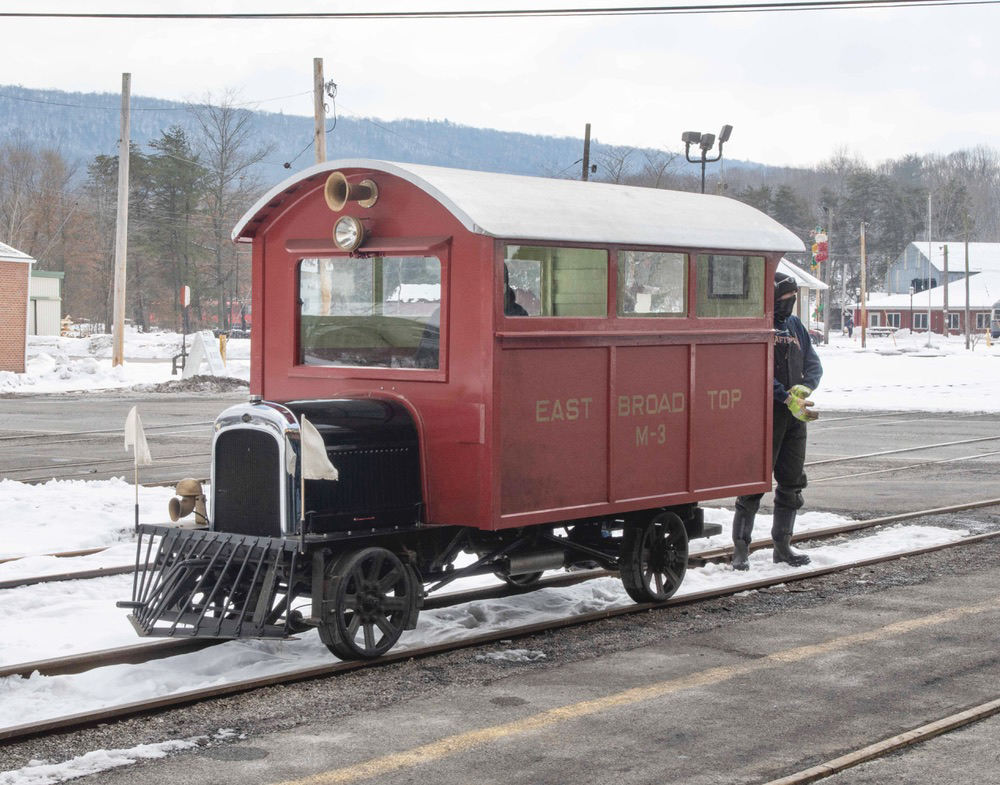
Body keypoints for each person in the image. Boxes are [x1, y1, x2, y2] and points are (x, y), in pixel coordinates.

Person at [731, 271, 822, 570]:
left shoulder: (796, 326)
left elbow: (813, 362)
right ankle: (741, 549)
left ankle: (782, 546)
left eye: (792, 299)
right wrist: (784, 396)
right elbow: (753, 370)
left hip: (795, 418)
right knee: (754, 483)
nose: (790, 303)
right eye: (785, 299)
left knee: (792, 483)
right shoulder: (758, 327)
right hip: (764, 416)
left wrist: (806, 386)